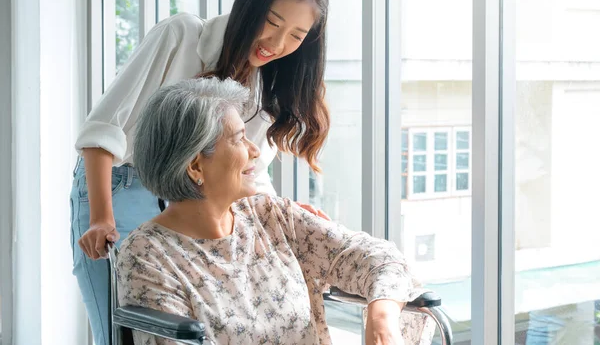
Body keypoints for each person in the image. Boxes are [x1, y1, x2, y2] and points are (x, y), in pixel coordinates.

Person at [71, 0, 331, 345]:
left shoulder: (263, 89)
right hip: (121, 188)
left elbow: (251, 174)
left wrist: (284, 216)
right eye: (273, 22)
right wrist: (100, 217)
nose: (276, 44)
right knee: (122, 332)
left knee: (195, 330)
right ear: (250, 5)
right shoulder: (181, 36)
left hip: (195, 208)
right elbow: (103, 131)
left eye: (295, 36)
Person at [117, 78, 434, 345]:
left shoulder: (271, 216)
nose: (255, 150)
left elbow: (376, 256)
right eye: (241, 139)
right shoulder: (147, 255)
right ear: (196, 165)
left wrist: (381, 315)